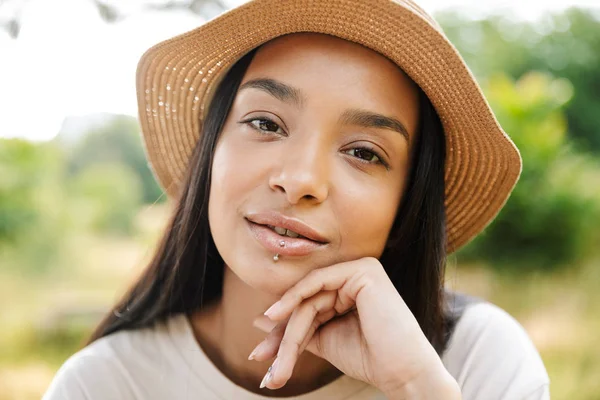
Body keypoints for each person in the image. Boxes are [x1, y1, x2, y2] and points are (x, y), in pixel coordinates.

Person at [43, 0, 550, 399]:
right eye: (265, 123)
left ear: (405, 209)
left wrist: (418, 388)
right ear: (210, 156)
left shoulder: (479, 362)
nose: (301, 179)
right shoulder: (103, 386)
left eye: (364, 153)